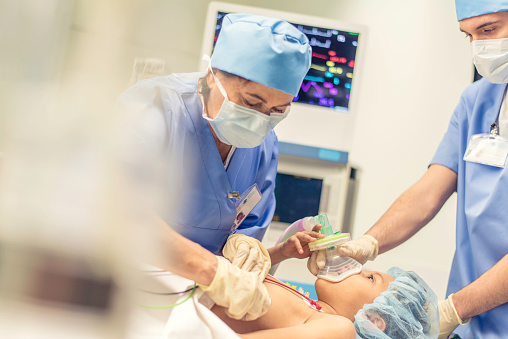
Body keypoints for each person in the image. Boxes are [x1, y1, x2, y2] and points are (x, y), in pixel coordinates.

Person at [308, 1, 508, 338]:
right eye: (468, 35)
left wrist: (454, 309)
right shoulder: (477, 101)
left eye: (488, 30)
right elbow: (428, 191)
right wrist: (369, 243)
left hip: (469, 309)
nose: (479, 46)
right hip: (472, 322)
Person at [116, 13, 312, 321]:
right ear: (213, 78)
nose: (262, 119)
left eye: (277, 110)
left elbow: (249, 220)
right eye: (251, 103)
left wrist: (242, 244)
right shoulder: (154, 112)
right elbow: (117, 212)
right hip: (124, 280)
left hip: (199, 293)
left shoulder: (264, 145)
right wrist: (212, 270)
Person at [211, 258, 438, 339]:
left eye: (370, 278)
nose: (358, 269)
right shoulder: (311, 308)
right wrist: (282, 251)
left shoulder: (339, 331)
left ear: (374, 320)